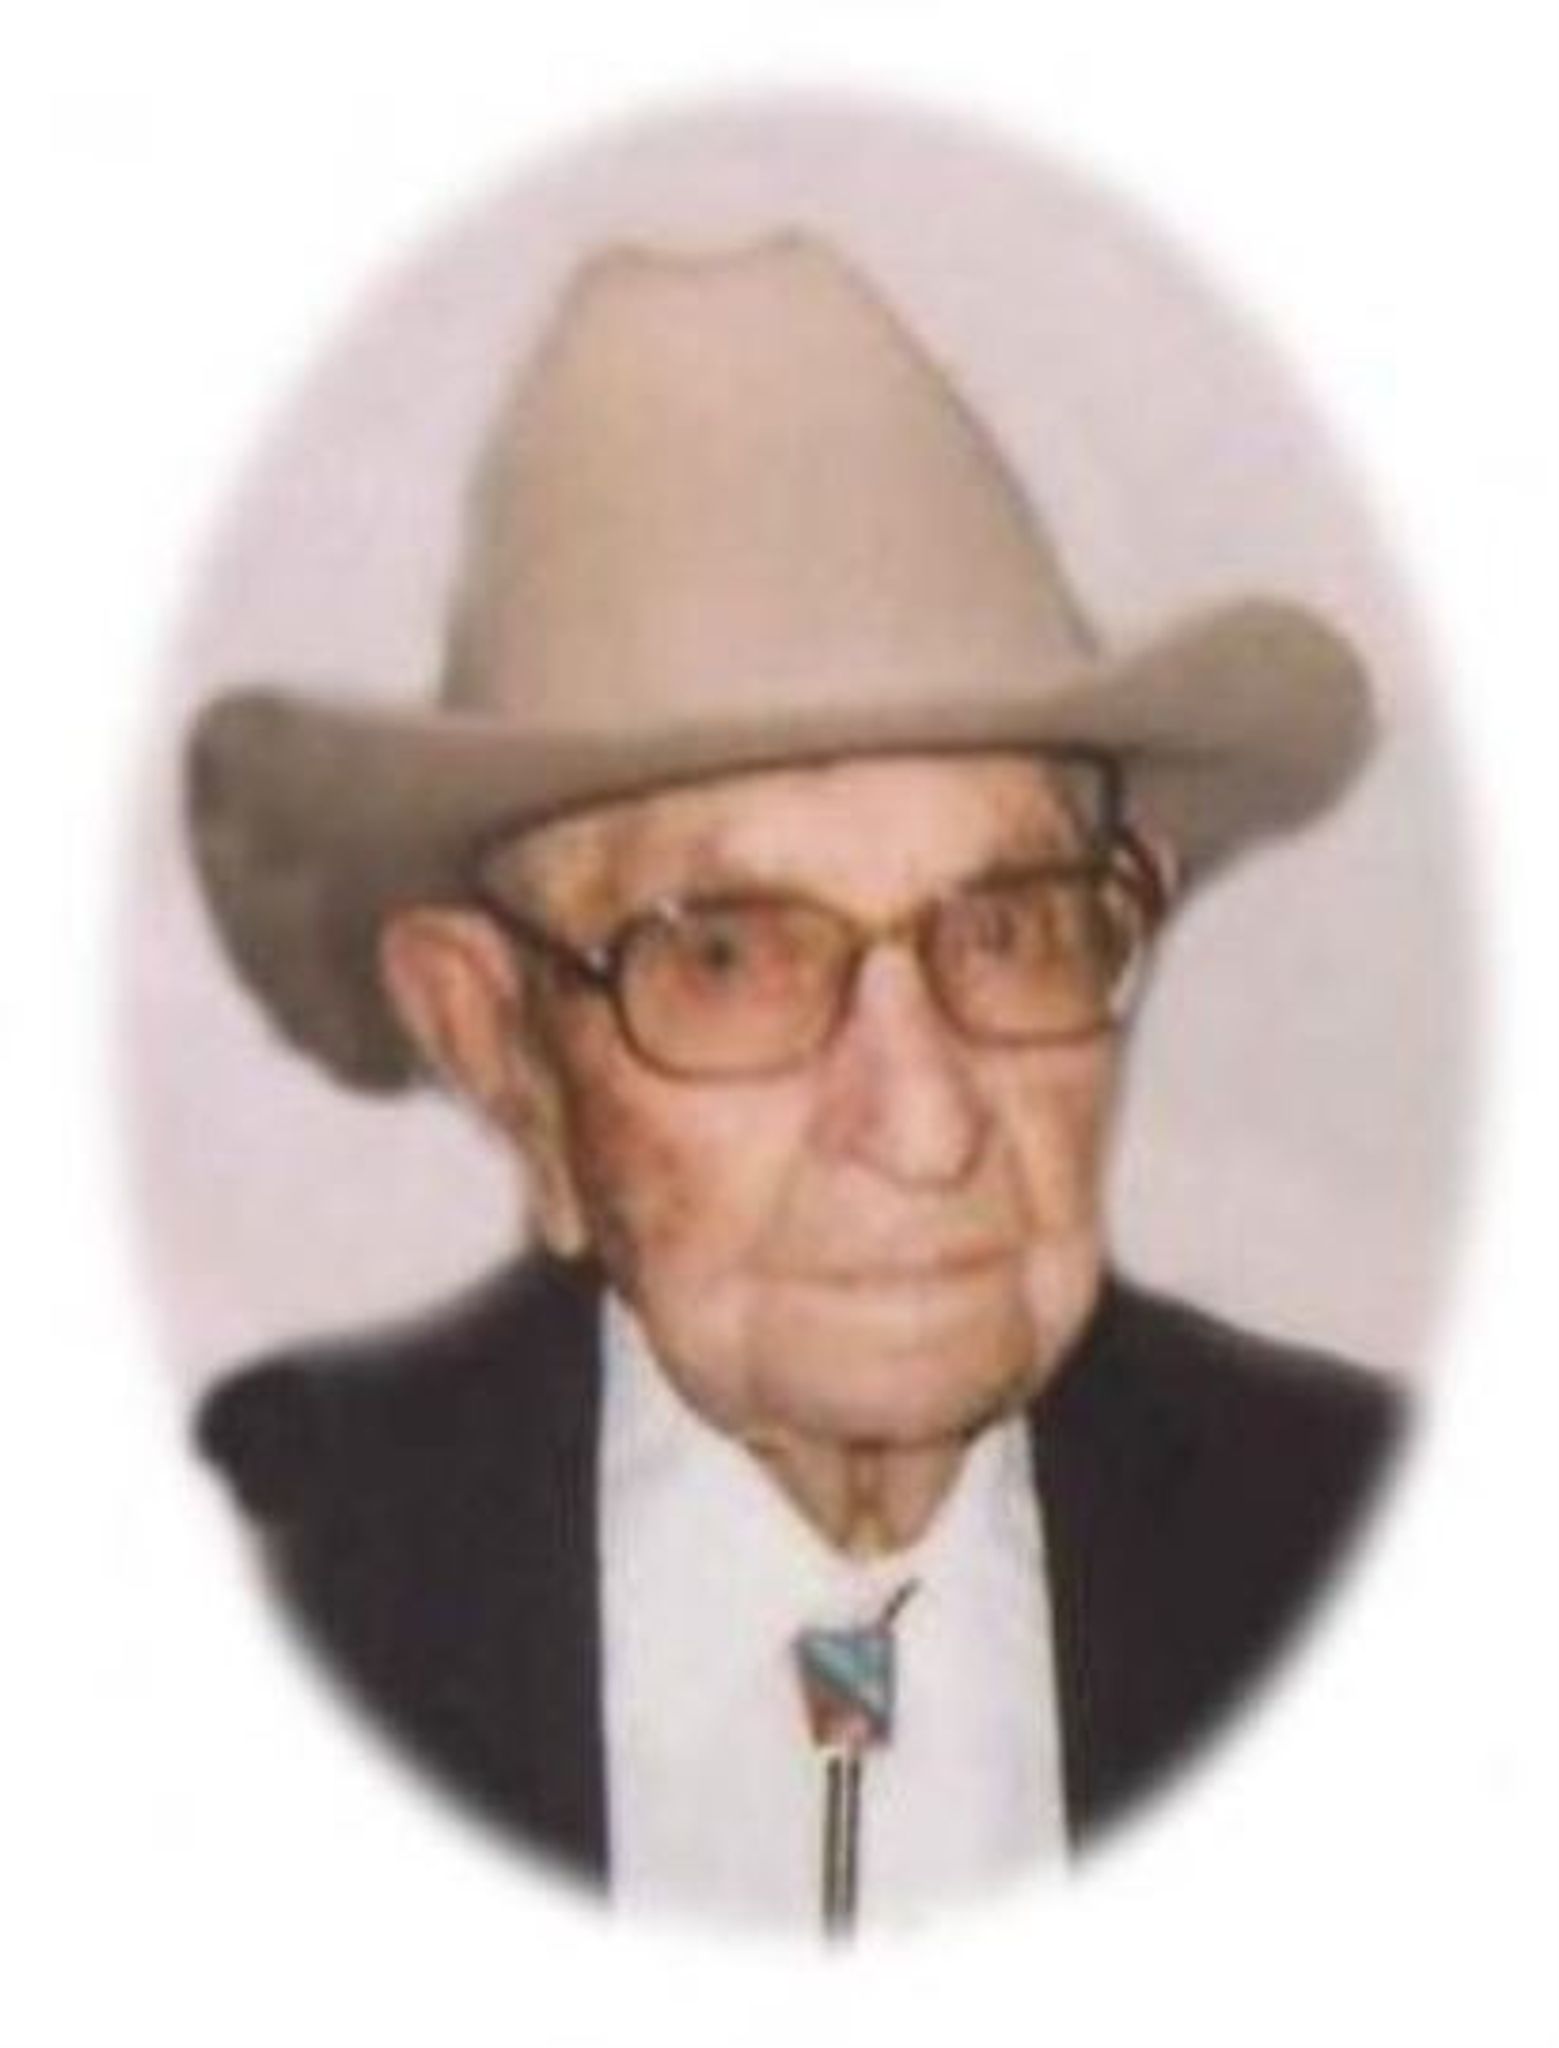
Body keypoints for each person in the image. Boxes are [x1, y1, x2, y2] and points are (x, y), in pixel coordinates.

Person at [185, 232, 1402, 1930]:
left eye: (1012, 929)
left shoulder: (1397, 1570)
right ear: (502, 1053)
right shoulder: (235, 1623)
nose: (926, 1123)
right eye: (728, 959)